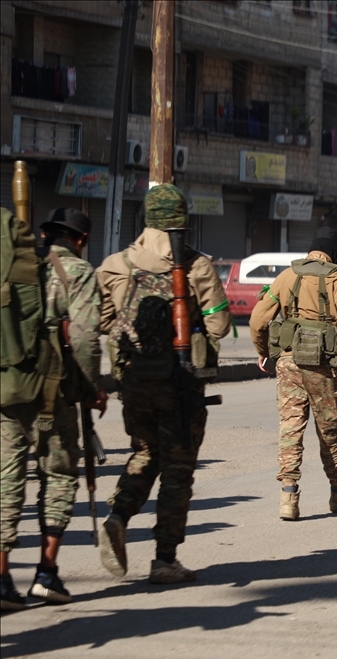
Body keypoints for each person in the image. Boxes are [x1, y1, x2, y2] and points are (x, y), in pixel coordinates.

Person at [95, 184, 230, 584]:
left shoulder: (115, 264)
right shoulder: (196, 266)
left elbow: (103, 322)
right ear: (183, 221)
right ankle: (164, 558)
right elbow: (221, 325)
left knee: (144, 453)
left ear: (147, 218)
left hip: (135, 382)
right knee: (177, 470)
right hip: (181, 385)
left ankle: (118, 516)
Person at [0, 208, 105, 609]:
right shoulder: (78, 273)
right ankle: (46, 574)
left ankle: (2, 577)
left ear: (43, 235)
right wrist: (93, 389)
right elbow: (84, 339)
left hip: (9, 390)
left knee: (6, 481)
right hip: (54, 395)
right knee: (58, 477)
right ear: (80, 239)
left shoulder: (14, 267)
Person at [250, 227, 337, 521]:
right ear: (334, 252)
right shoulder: (336, 277)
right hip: (322, 366)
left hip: (288, 362)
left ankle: (288, 497)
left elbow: (258, 318)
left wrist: (263, 351)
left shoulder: (287, 275)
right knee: (329, 430)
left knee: (290, 427)